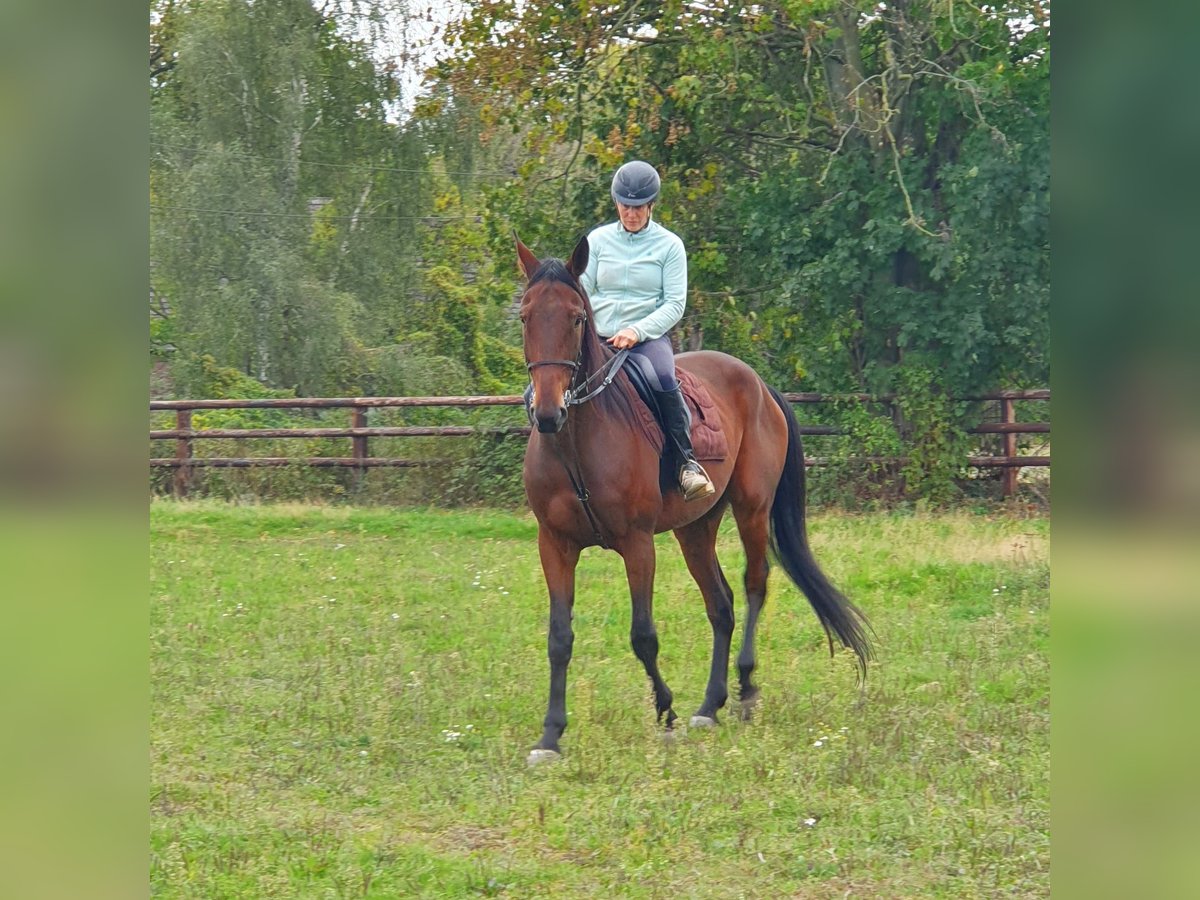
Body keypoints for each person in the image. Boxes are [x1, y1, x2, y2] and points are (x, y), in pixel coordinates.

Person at [580, 160, 716, 501]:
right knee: (539, 391)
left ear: (651, 205)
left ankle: (686, 464)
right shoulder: (596, 241)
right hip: (597, 337)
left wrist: (637, 331)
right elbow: (582, 291)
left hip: (645, 340)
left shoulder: (670, 246)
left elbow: (674, 304)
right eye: (626, 206)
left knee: (663, 379)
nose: (631, 213)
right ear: (616, 203)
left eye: (638, 207)